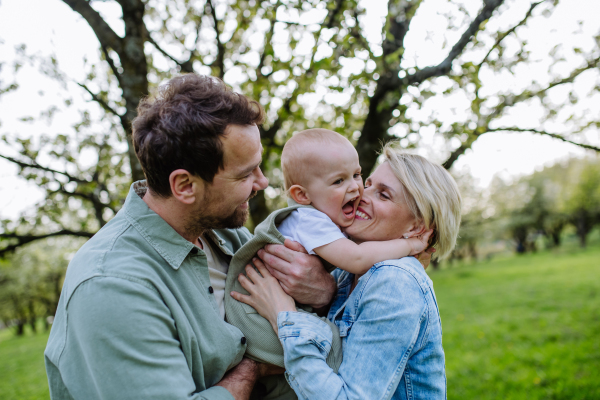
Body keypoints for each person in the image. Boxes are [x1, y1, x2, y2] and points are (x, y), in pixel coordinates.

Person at [44, 74, 337, 400]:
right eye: (245, 174)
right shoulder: (111, 284)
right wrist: (252, 369)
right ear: (185, 186)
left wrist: (323, 290)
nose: (263, 182)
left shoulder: (227, 235)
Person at [232, 142, 462, 399]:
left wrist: (282, 314)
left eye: (383, 195)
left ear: (417, 227)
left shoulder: (394, 280)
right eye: (369, 183)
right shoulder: (346, 271)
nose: (361, 194)